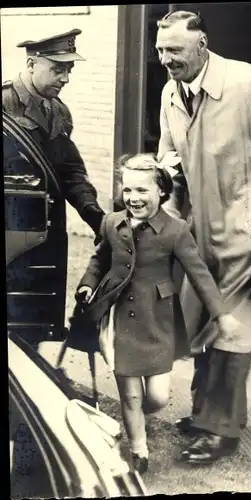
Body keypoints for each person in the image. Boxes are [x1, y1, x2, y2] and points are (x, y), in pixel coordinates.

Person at [155, 10, 251, 464]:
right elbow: (169, 158)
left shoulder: (247, 83)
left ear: (202, 45)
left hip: (250, 234)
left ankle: (219, 430)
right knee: (204, 327)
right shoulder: (171, 93)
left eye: (176, 51)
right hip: (198, 235)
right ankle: (207, 413)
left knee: (232, 331)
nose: (167, 60)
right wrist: (163, 208)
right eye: (162, 51)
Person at [73, 153, 229, 474]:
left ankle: (138, 416)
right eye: (127, 190)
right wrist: (88, 284)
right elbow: (99, 260)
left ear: (161, 191)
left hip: (158, 320)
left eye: (142, 190)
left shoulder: (176, 230)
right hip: (119, 320)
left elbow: (199, 274)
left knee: (157, 397)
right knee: (130, 394)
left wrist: (220, 314)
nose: (133, 198)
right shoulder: (111, 223)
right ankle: (139, 450)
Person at [2, 29, 105, 241]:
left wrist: (92, 213)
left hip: (53, 230)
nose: (65, 79)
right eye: (58, 70)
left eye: (69, 70)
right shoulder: (5, 104)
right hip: (14, 231)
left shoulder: (60, 111)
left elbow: (69, 169)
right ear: (31, 64)